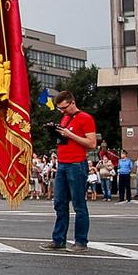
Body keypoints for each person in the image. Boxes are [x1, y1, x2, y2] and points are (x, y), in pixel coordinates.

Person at [40, 90, 97, 252]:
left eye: (64, 108)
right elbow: (64, 138)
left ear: (72, 103)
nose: (62, 111)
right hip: (63, 164)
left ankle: (81, 241)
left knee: (79, 204)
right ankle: (58, 239)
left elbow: (91, 143)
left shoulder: (85, 118)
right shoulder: (65, 118)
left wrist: (70, 134)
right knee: (59, 203)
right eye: (60, 109)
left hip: (76, 164)